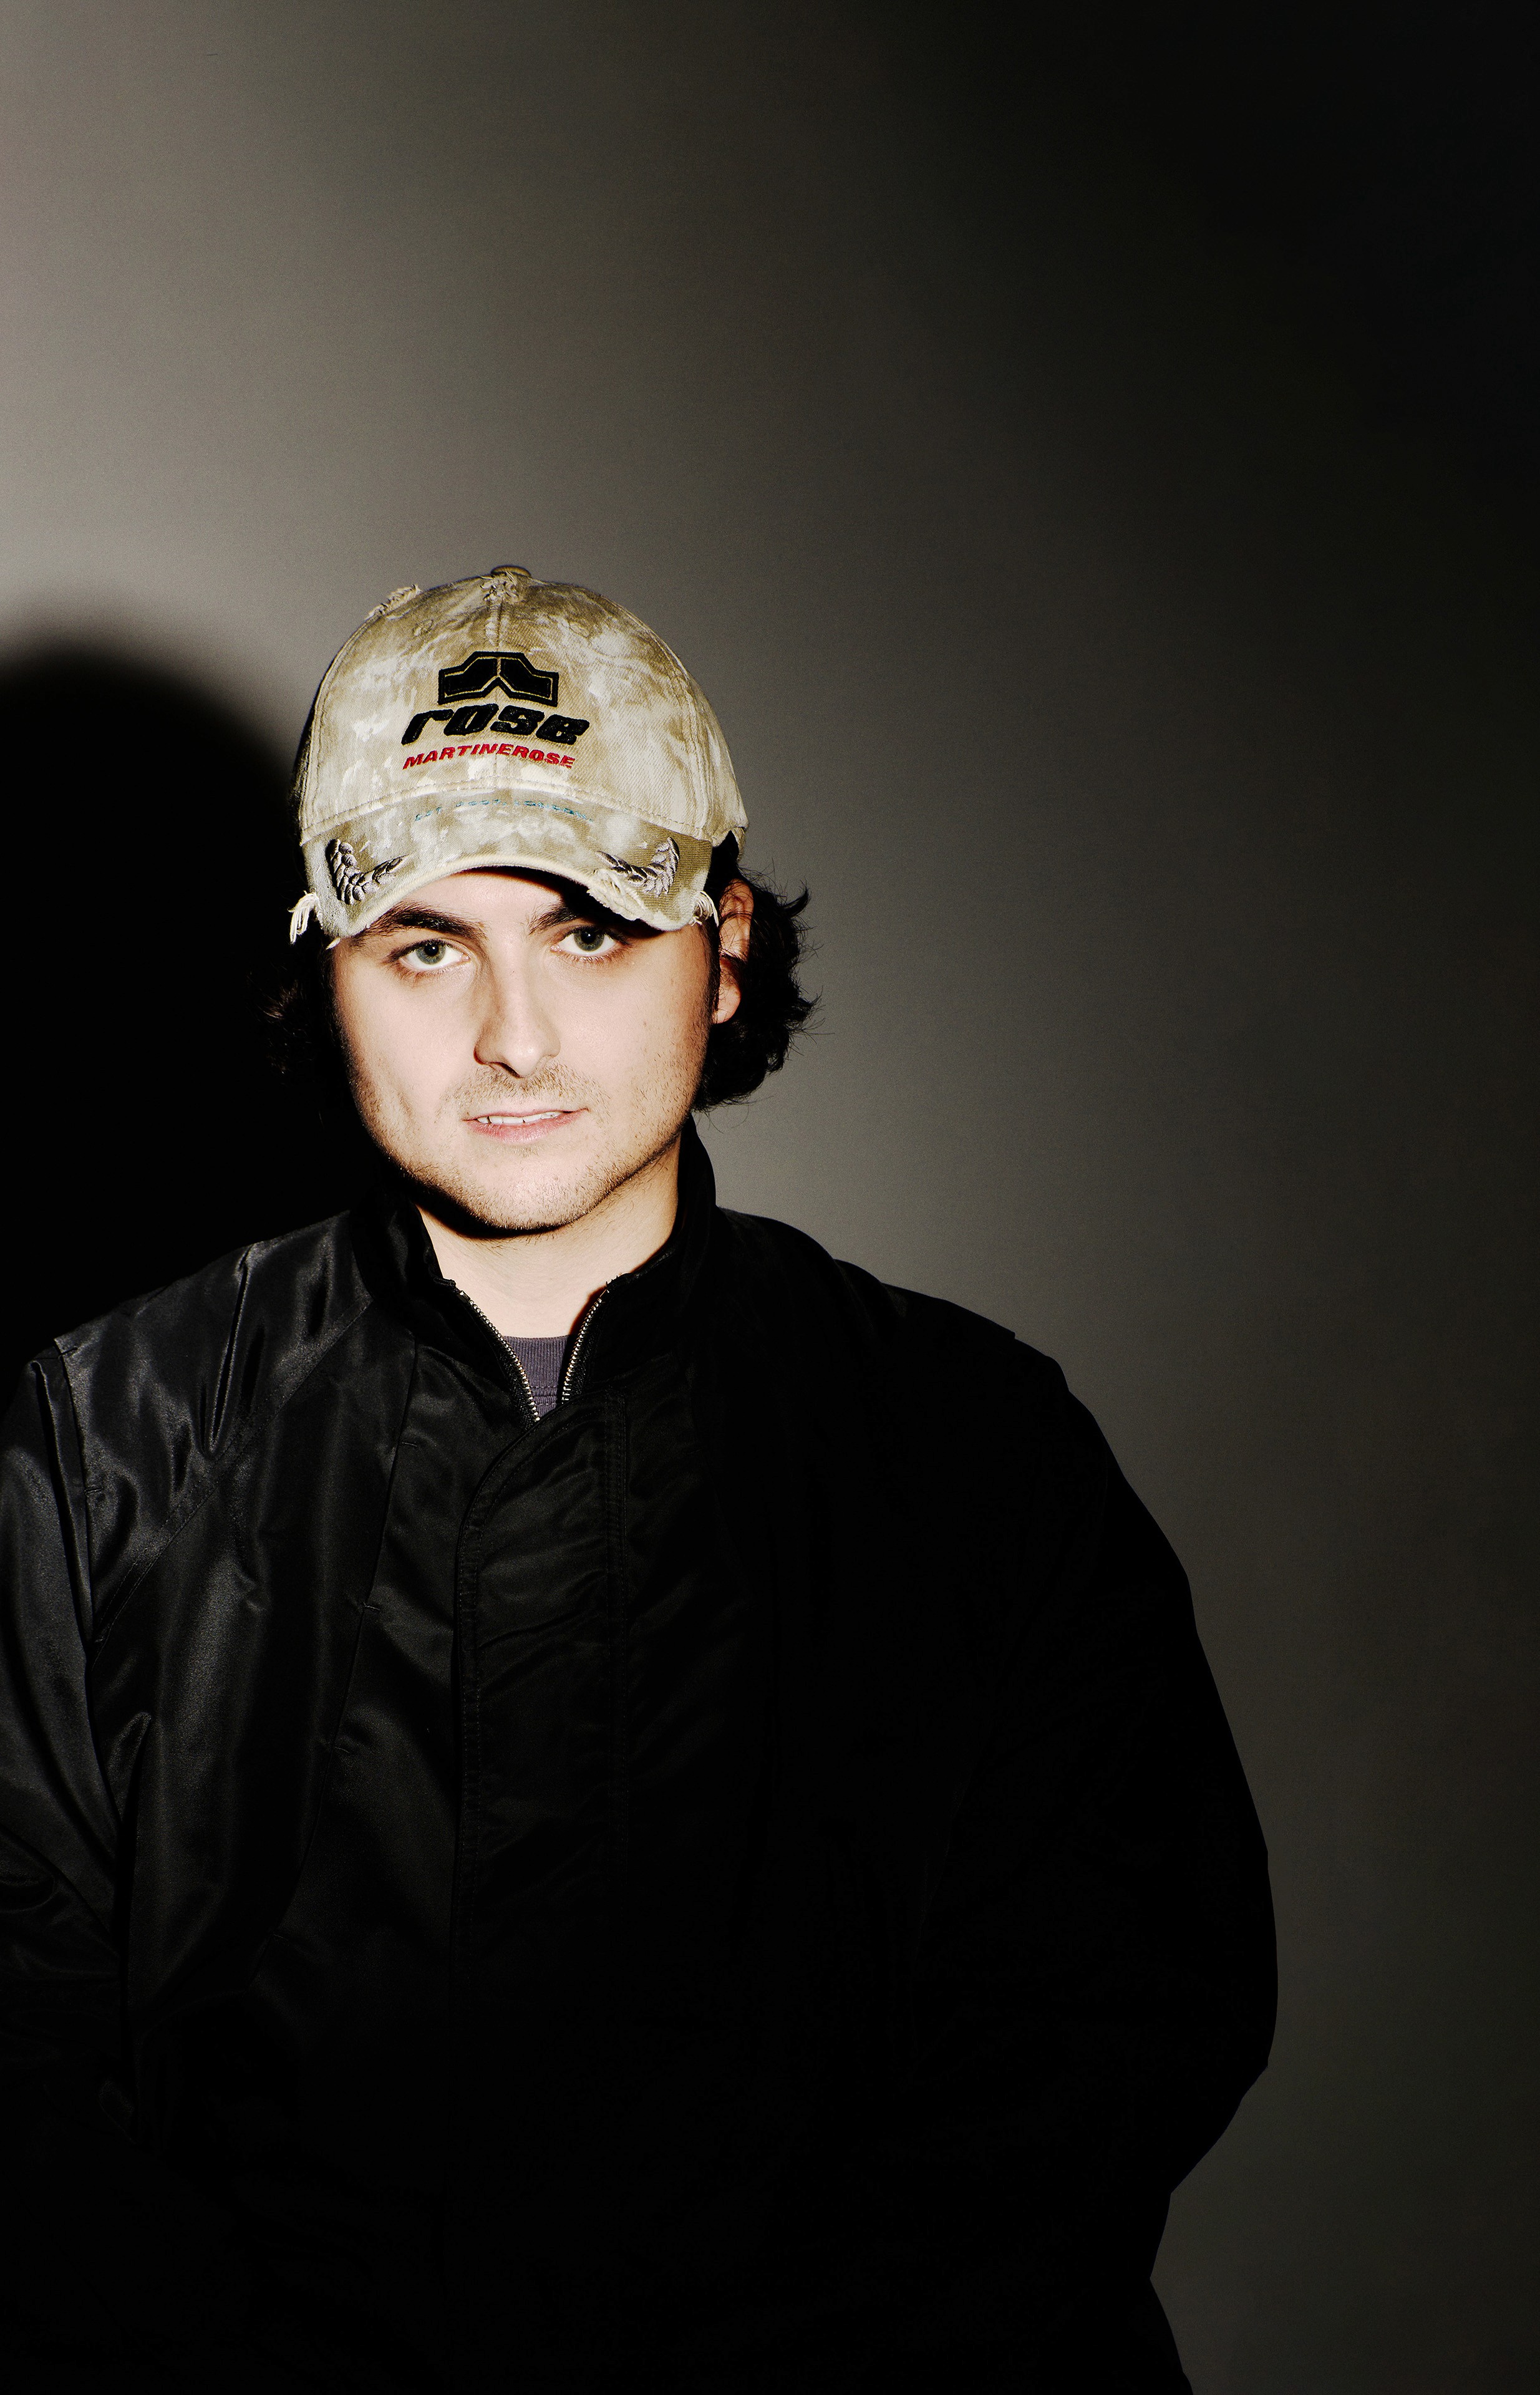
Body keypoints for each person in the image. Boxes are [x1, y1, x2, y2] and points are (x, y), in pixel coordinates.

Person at [0, 566, 1275, 2394]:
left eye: (590, 930)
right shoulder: (98, 1442)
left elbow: (1108, 2026)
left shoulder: (971, 1451)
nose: (512, 1035)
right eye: (426, 944)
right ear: (323, 972)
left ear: (726, 942)